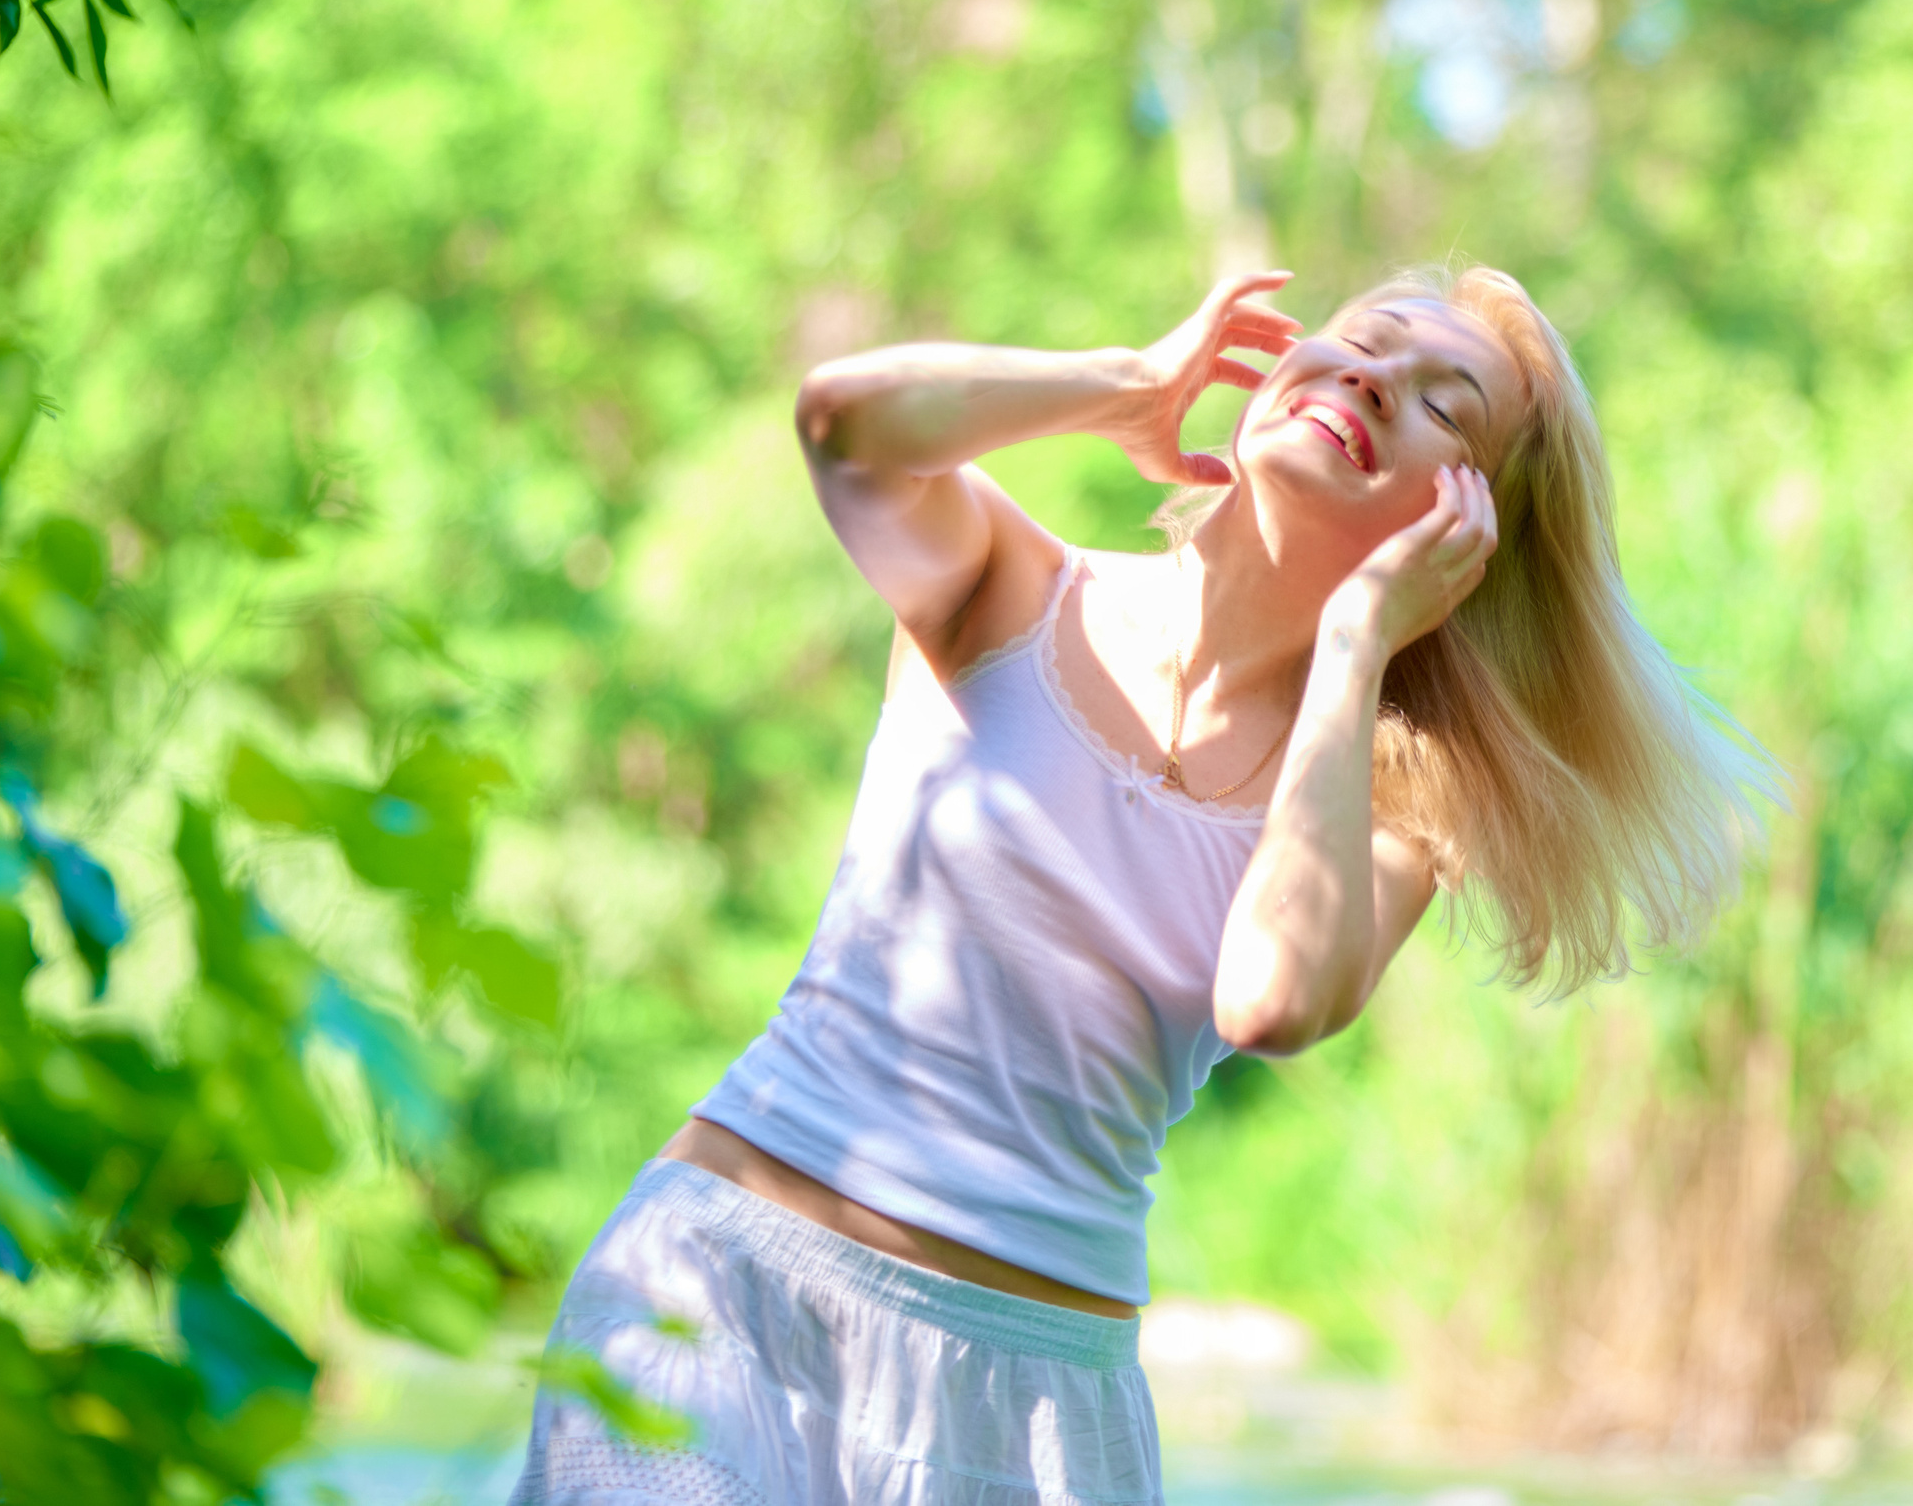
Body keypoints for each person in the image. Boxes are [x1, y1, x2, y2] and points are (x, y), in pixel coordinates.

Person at [508, 264, 1779, 1505]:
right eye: (1364, 335)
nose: (1377, 377)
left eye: (1446, 402)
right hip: (723, 1293)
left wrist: (1354, 647)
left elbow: (1269, 1000)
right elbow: (844, 420)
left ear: (1462, 532)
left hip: (1027, 1406)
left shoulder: (1382, 812)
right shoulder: (1010, 588)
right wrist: (1124, 385)